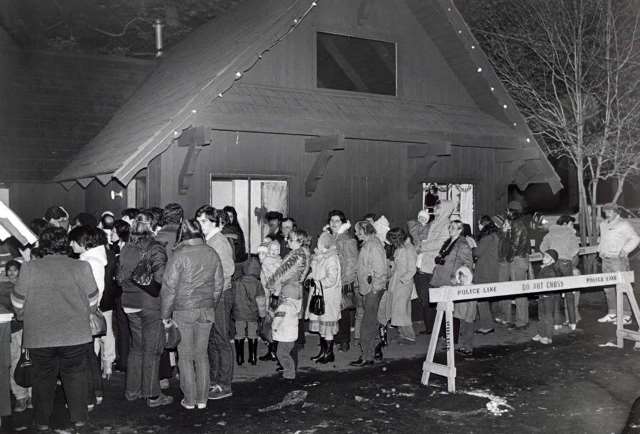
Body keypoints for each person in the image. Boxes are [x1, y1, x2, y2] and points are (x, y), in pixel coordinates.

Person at [12, 227, 99, 430]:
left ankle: (42, 422)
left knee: (42, 380)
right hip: (75, 335)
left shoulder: (30, 268)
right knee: (76, 377)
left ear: (43, 245)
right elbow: (93, 299)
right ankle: (79, 419)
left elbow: (17, 302)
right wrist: (86, 310)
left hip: (40, 336)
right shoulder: (81, 267)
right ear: (66, 244)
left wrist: (23, 315)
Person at [161, 219, 223, 410]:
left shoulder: (178, 255)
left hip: (183, 310)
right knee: (202, 355)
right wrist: (210, 303)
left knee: (185, 356)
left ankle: (190, 399)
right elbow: (219, 284)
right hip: (206, 310)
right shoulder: (212, 252)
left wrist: (165, 315)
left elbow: (169, 288)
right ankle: (203, 399)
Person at [117, 212, 172, 407]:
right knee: (152, 349)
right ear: (153, 227)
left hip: (129, 303)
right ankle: (152, 395)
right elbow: (161, 279)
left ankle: (132, 391)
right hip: (150, 304)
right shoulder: (155, 247)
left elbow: (119, 277)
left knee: (136, 348)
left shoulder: (126, 248)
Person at [195, 206, 235, 401]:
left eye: (203, 221)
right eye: (199, 221)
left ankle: (225, 383)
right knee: (212, 339)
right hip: (211, 295)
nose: (200, 225)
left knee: (221, 339)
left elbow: (228, 270)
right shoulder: (208, 240)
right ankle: (214, 379)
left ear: (214, 222)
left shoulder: (220, 242)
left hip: (220, 295)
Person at [69, 225, 109, 408]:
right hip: (87, 311)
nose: (70, 244)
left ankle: (88, 398)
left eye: (74, 241)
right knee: (89, 356)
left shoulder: (90, 262)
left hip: (84, 313)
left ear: (84, 242)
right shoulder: (92, 259)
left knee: (84, 357)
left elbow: (95, 290)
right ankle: (96, 392)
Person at [266, 230, 310, 379]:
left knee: (285, 327)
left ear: (299, 240)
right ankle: (288, 367)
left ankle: (289, 369)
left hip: (289, 293)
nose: (287, 241)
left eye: (290, 239)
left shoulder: (296, 254)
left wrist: (271, 283)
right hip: (294, 292)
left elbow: (283, 273)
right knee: (290, 328)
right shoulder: (303, 253)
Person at [430, 220, 474, 352]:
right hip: (441, 279)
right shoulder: (449, 241)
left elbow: (468, 264)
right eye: (450, 227)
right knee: (443, 310)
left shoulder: (463, 244)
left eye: (455, 228)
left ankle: (451, 340)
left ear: (460, 230)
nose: (451, 230)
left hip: (451, 281)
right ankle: (445, 337)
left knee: (453, 313)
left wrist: (458, 278)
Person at [416, 200, 458, 335]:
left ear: (446, 209)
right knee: (425, 298)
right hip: (424, 264)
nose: (435, 208)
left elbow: (440, 244)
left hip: (433, 267)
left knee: (434, 299)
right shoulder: (434, 222)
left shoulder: (447, 225)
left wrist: (422, 246)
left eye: (438, 207)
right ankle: (430, 328)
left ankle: (440, 331)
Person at [350, 220, 387, 367]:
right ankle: (370, 353)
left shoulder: (374, 245)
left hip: (373, 290)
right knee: (370, 322)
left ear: (364, 230)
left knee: (367, 324)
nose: (356, 233)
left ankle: (367, 357)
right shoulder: (369, 244)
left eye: (358, 230)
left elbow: (381, 270)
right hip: (368, 288)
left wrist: (375, 288)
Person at [597, 203, 640, 324]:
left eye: (610, 211)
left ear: (616, 212)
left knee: (623, 287)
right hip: (606, 260)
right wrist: (600, 250)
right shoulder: (603, 224)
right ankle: (612, 313)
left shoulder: (623, 224)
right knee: (608, 288)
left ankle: (626, 316)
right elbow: (603, 239)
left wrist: (625, 250)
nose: (607, 213)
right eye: (605, 211)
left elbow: (636, 238)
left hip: (618, 261)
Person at [0, 260, 32, 413]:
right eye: (9, 270)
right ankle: (20, 397)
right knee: (13, 363)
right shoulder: (2, 287)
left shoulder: (25, 285)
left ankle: (33, 395)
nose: (12, 273)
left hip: (27, 329)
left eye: (15, 270)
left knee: (30, 362)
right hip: (10, 330)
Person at [306, 232, 342, 363]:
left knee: (327, 328)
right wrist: (310, 277)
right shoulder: (320, 257)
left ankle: (329, 353)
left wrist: (318, 282)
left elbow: (332, 279)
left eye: (320, 243)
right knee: (322, 326)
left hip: (328, 298)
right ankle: (323, 352)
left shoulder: (332, 258)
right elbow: (315, 272)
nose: (318, 245)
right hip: (319, 296)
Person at [326, 210, 358, 353]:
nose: (333, 223)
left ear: (343, 223)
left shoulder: (347, 240)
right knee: (333, 311)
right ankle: (335, 338)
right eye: (332, 221)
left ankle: (344, 341)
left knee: (343, 311)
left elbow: (352, 263)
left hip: (342, 281)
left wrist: (344, 282)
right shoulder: (330, 238)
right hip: (331, 279)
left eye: (337, 221)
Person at [539, 215, 580, 329]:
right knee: (569, 294)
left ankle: (557, 323)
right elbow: (576, 249)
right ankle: (572, 323)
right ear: (565, 224)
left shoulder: (550, 233)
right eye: (571, 224)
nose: (572, 226)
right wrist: (568, 256)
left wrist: (552, 256)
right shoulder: (570, 234)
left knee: (556, 294)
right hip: (566, 264)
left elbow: (542, 248)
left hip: (554, 264)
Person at [378, 227, 418, 343]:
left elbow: (412, 269)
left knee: (402, 310)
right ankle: (402, 334)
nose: (390, 242)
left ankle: (410, 336)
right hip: (395, 282)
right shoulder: (399, 249)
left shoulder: (409, 249)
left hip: (404, 284)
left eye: (392, 239)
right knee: (396, 310)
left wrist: (402, 280)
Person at [496, 201, 530, 329]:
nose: (506, 213)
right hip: (513, 259)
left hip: (517, 259)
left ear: (513, 211)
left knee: (519, 291)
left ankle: (522, 321)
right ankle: (508, 317)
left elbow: (515, 245)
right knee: (513, 290)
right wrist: (504, 231)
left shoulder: (518, 224)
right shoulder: (511, 224)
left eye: (508, 211)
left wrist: (508, 258)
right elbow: (505, 241)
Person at [232, 257, 266, 366]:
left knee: (239, 334)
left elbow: (233, 298)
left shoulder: (237, 282)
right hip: (253, 314)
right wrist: (262, 315)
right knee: (252, 334)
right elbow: (261, 301)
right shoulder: (257, 284)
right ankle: (252, 358)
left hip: (239, 313)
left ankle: (239, 358)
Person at [473, 216, 501, 335]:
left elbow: (478, 252)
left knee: (481, 299)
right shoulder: (496, 236)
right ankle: (491, 320)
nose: (478, 227)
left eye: (479, 224)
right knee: (490, 298)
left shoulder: (486, 238)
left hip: (485, 270)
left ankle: (487, 325)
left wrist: (472, 247)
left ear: (483, 225)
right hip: (494, 269)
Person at [257, 239, 282, 361]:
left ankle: (274, 351)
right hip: (269, 296)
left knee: (271, 323)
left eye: (276, 250)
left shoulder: (271, 262)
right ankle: (272, 350)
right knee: (268, 323)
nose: (274, 252)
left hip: (273, 296)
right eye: (272, 250)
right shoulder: (271, 262)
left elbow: (273, 280)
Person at [532, 250, 562, 345]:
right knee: (541, 316)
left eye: (546, 257)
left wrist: (546, 293)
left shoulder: (551, 271)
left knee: (548, 317)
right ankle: (541, 333)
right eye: (544, 256)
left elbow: (551, 284)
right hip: (542, 296)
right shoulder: (545, 268)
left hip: (548, 297)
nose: (543, 258)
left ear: (552, 260)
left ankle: (548, 337)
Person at [222, 206, 249, 270]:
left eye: (230, 216)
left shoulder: (236, 229)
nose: (228, 219)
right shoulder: (224, 228)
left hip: (236, 262)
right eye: (227, 217)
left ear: (234, 217)